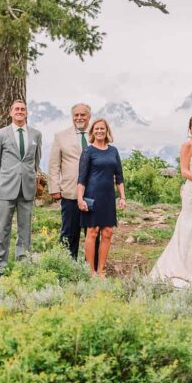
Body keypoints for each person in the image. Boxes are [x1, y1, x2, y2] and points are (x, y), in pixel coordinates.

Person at [149, 115, 192, 288]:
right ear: (190, 128)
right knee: (188, 226)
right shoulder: (187, 145)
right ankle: (179, 265)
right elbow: (184, 171)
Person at [0, 99, 43, 276]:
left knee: (25, 230)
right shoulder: (1, 134)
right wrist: (3, 179)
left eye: (23, 109)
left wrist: (29, 177)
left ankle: (23, 265)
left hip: (27, 188)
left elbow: (36, 161)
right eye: (16, 109)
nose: (20, 111)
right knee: (2, 228)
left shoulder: (36, 135)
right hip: (6, 188)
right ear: (10, 113)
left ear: (26, 113)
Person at [76, 118, 126, 277]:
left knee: (108, 232)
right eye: (96, 129)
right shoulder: (88, 151)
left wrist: (122, 197)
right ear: (92, 132)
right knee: (92, 231)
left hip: (108, 197)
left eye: (102, 129)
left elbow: (119, 176)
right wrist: (80, 198)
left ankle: (101, 270)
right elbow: (81, 178)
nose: (99, 131)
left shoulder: (113, 151)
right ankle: (90, 272)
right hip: (92, 195)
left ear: (107, 131)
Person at [48, 103, 92, 259]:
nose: (79, 118)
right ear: (72, 117)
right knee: (69, 231)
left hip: (93, 192)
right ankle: (67, 263)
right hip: (70, 191)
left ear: (89, 116)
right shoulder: (61, 136)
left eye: (83, 115)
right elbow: (54, 164)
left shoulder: (97, 133)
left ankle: (91, 266)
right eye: (76, 115)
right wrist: (54, 187)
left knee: (92, 232)